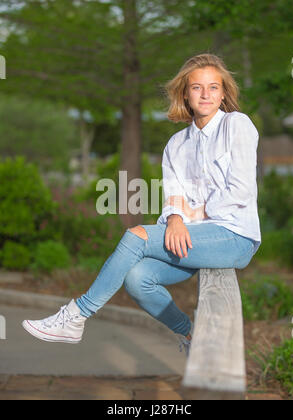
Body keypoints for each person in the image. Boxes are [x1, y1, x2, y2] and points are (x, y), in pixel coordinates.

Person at [22, 53, 261, 357]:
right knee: (138, 279)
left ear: (224, 93)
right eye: (197, 87)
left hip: (234, 236)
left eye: (213, 87)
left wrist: (193, 213)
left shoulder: (236, 125)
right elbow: (174, 196)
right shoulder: (176, 145)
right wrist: (175, 218)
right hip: (192, 237)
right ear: (185, 94)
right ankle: (190, 334)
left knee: (137, 235)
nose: (206, 94)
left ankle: (77, 315)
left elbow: (240, 191)